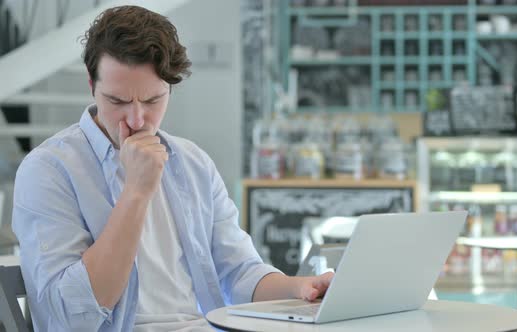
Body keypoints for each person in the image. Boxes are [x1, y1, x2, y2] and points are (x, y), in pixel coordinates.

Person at [12, 5, 333, 331]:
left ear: (170, 89)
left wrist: (301, 289)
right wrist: (136, 191)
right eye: (117, 101)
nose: (136, 120)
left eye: (152, 101)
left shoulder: (193, 163)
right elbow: (71, 317)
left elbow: (238, 272)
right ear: (91, 83)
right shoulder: (48, 170)